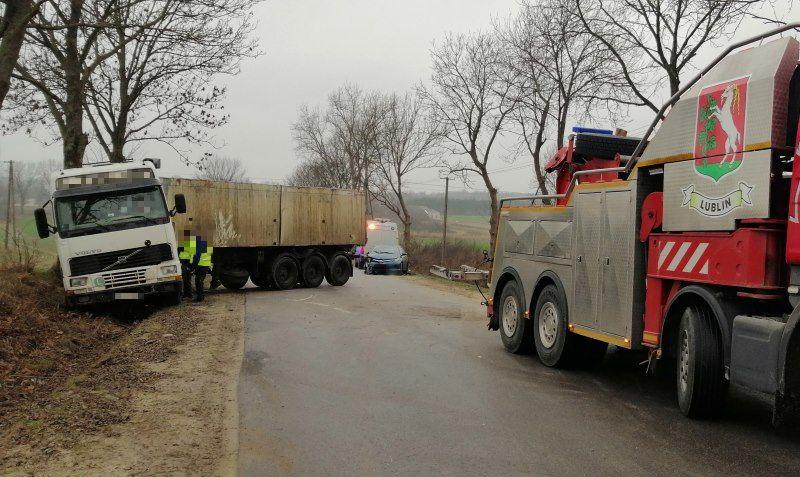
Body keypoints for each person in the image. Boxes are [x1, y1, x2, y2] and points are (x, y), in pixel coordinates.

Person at [191, 236, 213, 302]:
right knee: (200, 280)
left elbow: (197, 255)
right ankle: (201, 296)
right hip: (205, 262)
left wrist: (192, 267)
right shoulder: (206, 240)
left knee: (198, 280)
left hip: (201, 263)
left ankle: (200, 297)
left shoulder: (198, 242)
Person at [178, 229, 195, 299]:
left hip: (185, 264)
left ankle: (187, 294)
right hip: (186, 264)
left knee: (186, 280)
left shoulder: (182, 245)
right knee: (187, 280)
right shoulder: (190, 245)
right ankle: (188, 294)